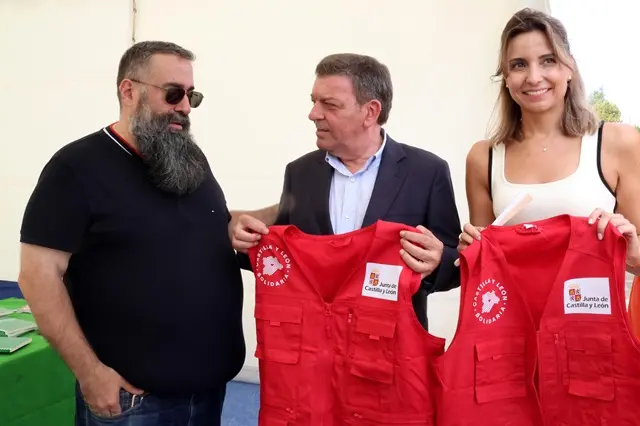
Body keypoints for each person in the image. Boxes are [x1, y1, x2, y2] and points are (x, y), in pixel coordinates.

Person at [17, 41, 244, 426]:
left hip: (209, 391)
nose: (185, 107)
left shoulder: (189, 160)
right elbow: (38, 275)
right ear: (129, 90)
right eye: (173, 93)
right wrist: (90, 373)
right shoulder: (75, 168)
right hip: (132, 400)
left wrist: (287, 206)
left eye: (192, 96)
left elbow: (208, 224)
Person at [231, 53, 463, 328]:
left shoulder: (426, 172)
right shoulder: (300, 173)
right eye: (313, 101)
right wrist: (248, 243)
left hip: (390, 344)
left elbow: (455, 266)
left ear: (370, 112)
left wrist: (437, 262)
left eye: (329, 105)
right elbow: (286, 259)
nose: (313, 114)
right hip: (315, 343)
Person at [457, 9, 640, 283]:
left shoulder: (619, 142)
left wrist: (632, 251)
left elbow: (637, 259)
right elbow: (484, 271)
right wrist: (470, 252)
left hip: (591, 309)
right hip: (515, 311)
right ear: (506, 77)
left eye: (548, 60)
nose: (533, 77)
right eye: (519, 65)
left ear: (569, 68)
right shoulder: (483, 158)